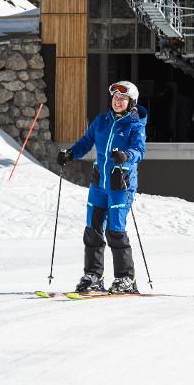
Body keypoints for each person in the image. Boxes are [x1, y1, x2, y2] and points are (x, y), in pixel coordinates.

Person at [57, 80, 147, 295]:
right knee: (93, 229)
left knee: (115, 230)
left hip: (120, 184)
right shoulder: (101, 121)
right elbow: (86, 142)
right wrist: (70, 154)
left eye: (123, 98)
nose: (118, 101)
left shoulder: (135, 125)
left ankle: (126, 278)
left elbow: (139, 150)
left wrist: (125, 156)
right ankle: (93, 276)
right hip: (99, 184)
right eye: (115, 97)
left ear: (131, 102)